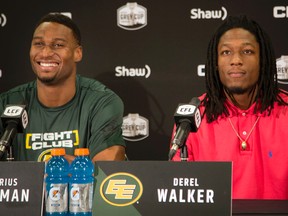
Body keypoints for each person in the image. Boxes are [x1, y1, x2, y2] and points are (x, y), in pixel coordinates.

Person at [170, 15, 288, 200]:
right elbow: (180, 195)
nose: (236, 60)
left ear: (263, 59)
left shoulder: (285, 111)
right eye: (226, 52)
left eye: (247, 51)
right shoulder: (193, 117)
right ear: (215, 63)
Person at [0, 13, 126, 163]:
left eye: (58, 45)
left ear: (77, 53)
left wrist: (58, 169)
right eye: (38, 44)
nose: (45, 53)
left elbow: (108, 174)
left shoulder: (101, 102)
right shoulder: (7, 103)